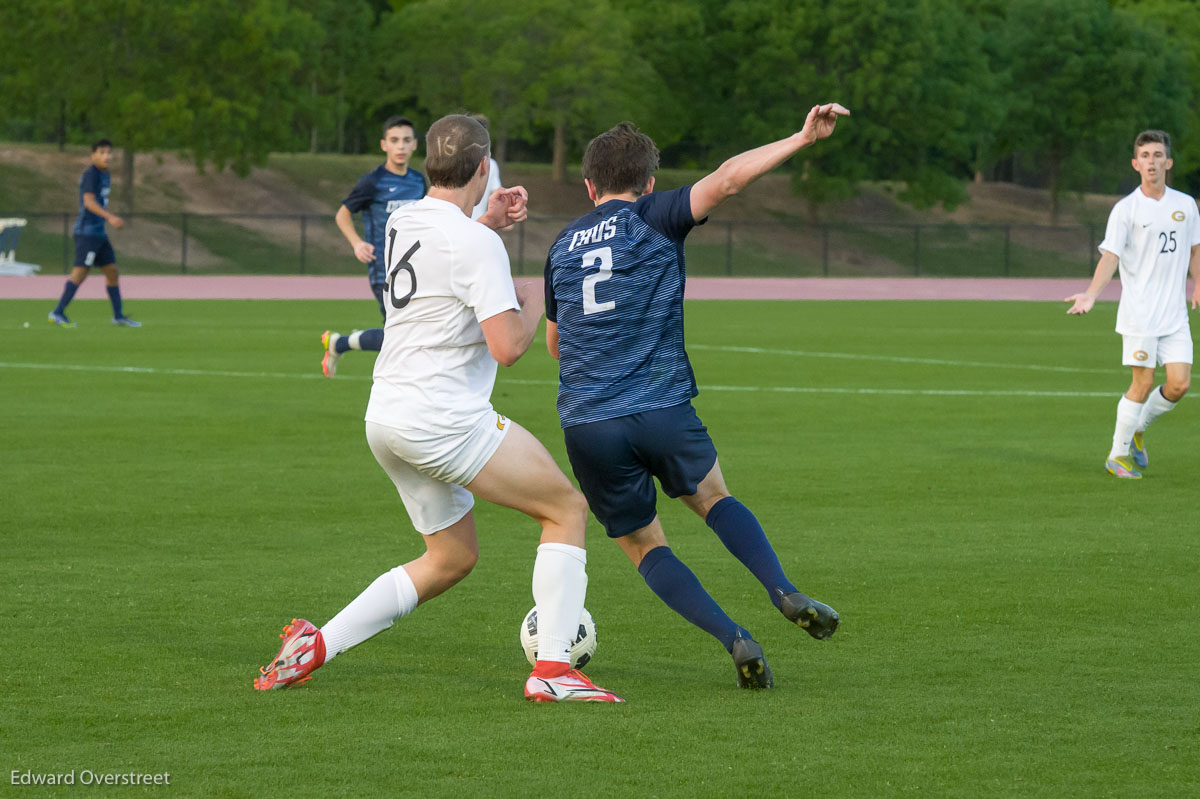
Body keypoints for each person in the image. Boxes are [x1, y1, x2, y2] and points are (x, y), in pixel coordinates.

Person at [256, 114, 622, 704]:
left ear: (429, 164)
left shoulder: (405, 218)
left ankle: (315, 645)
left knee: (450, 558)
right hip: (442, 419)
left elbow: (446, 247)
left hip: (386, 417)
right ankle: (553, 670)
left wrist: (488, 221)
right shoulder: (473, 241)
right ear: (484, 168)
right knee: (566, 509)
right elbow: (507, 349)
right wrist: (535, 300)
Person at [543, 109, 848, 690]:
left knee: (641, 542)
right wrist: (800, 138)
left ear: (588, 185)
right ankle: (782, 590)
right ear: (649, 182)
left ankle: (733, 637)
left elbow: (555, 344)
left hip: (588, 422)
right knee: (712, 498)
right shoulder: (653, 215)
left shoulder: (562, 245)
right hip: (661, 407)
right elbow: (729, 178)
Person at [1065, 129, 1200, 479]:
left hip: (1175, 316)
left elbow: (1195, 249)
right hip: (1140, 316)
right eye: (1145, 156)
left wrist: (1198, 282)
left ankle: (1138, 428)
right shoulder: (1125, 210)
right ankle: (1117, 456)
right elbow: (1110, 257)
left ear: (1168, 162)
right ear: (1135, 164)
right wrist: (1091, 294)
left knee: (1179, 385)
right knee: (1141, 384)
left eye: (1158, 155)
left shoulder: (1185, 204)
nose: (1151, 162)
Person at [322, 116, 427, 378]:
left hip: (417, 269)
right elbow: (342, 214)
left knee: (407, 333)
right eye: (394, 141)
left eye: (405, 141)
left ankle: (339, 343)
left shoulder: (419, 181)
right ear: (384, 145)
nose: (400, 146)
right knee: (404, 334)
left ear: (414, 145)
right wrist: (357, 243)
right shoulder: (373, 182)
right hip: (384, 270)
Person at [49, 139, 140, 328]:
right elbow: (88, 202)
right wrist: (110, 217)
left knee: (112, 272)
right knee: (80, 273)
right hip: (87, 233)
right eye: (102, 152)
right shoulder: (91, 174)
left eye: (109, 152)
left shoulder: (105, 175)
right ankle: (57, 313)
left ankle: (118, 316)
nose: (107, 156)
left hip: (99, 234)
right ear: (93, 155)